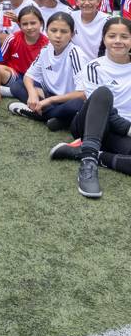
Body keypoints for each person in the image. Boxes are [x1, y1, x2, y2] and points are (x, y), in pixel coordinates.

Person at [49, 17, 131, 199]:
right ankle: (88, 164)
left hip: (119, 134)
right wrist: (129, 128)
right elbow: (99, 108)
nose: (118, 41)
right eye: (112, 36)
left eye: (124, 36)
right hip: (91, 124)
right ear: (104, 39)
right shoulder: (95, 67)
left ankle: (91, 154)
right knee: (103, 93)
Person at [8, 12, 87, 130]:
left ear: (72, 34)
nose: (58, 35)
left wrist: (49, 101)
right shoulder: (45, 49)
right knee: (16, 85)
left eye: (64, 31)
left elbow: (82, 94)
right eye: (53, 30)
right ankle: (59, 119)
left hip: (66, 100)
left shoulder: (75, 53)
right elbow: (28, 76)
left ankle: (36, 114)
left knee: (77, 105)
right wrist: (32, 93)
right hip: (47, 96)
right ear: (46, 31)